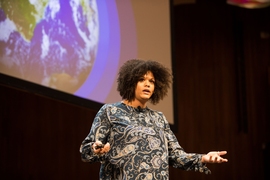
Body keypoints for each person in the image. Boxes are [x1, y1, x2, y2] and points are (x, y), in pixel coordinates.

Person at [80, 59, 228, 179]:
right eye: (142, 79)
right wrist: (96, 149)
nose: (148, 84)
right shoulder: (110, 111)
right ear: (131, 82)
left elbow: (176, 155)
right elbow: (86, 150)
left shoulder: (159, 118)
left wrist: (204, 158)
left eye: (152, 81)